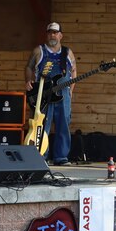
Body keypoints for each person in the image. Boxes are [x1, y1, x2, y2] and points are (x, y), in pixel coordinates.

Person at [25, 22, 77, 166]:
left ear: (61, 35)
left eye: (55, 32)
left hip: (63, 94)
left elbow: (73, 71)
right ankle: (41, 155)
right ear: (46, 35)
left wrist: (71, 90)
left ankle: (61, 157)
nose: (52, 35)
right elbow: (29, 67)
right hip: (43, 93)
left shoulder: (68, 52)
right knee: (42, 125)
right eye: (50, 32)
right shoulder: (38, 51)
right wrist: (29, 81)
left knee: (63, 125)